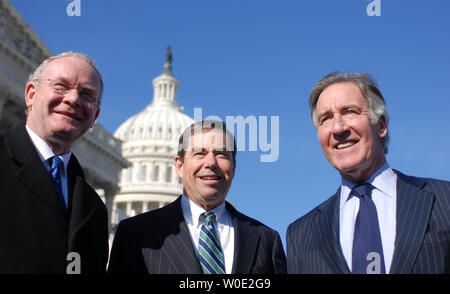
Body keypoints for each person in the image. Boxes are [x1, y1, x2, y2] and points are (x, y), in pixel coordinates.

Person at [286, 72, 450, 274]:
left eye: (350, 112)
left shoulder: (445, 199)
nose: (337, 128)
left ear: (380, 125)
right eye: (325, 119)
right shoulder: (300, 235)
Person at [108, 120, 287, 274]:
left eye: (221, 154)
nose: (210, 162)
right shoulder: (135, 234)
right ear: (179, 166)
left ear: (233, 168)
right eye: (199, 153)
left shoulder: (267, 240)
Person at [0, 52, 109, 273]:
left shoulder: (94, 207)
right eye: (61, 86)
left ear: (94, 117)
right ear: (31, 95)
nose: (73, 99)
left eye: (87, 94)